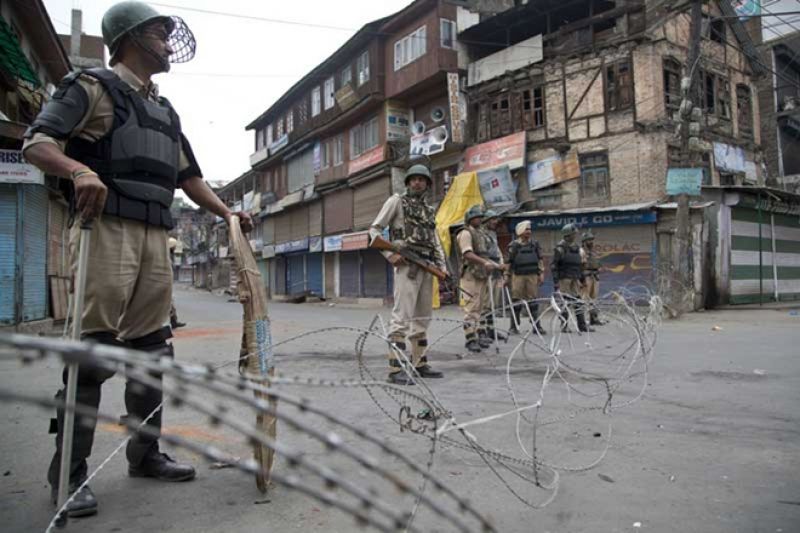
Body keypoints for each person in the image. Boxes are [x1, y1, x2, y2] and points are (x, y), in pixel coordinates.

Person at [23, 1, 253, 517]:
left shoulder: (166, 111)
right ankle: (68, 475)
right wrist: (78, 171)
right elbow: (37, 143)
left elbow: (189, 178)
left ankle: (145, 454)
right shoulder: (91, 88)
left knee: (153, 352)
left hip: (155, 237)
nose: (168, 45)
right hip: (105, 228)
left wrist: (227, 213)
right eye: (159, 34)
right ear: (128, 39)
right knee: (93, 354)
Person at [369, 164, 448, 386]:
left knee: (423, 317)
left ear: (427, 184)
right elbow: (374, 230)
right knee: (402, 317)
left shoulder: (429, 210)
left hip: (427, 266)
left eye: (422, 179)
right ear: (408, 182)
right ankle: (395, 369)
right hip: (406, 265)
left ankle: (419, 363)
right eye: (413, 179)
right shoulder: (396, 201)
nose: (417, 183)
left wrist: (442, 267)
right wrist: (389, 255)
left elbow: (434, 241)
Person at [457, 205, 503, 352]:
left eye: (480, 217)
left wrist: (497, 266)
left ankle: (477, 334)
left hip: (482, 274)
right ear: (470, 218)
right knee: (471, 307)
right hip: (470, 274)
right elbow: (467, 254)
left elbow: (486, 255)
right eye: (476, 217)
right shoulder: (465, 233)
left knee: (480, 307)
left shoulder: (481, 234)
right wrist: (484, 263)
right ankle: (470, 338)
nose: (479, 219)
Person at [550, 224, 593, 333]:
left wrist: (582, 279)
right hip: (564, 278)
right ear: (567, 235)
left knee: (578, 301)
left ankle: (582, 325)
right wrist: (556, 281)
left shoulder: (577, 248)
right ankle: (564, 325)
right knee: (565, 302)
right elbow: (554, 266)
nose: (575, 236)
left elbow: (580, 265)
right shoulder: (560, 249)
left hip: (575, 278)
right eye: (573, 234)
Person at [506, 220, 546, 335]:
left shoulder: (535, 244)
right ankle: (514, 327)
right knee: (516, 301)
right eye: (526, 229)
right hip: (518, 276)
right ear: (520, 231)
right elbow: (508, 262)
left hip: (532, 276)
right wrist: (506, 276)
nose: (529, 231)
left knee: (533, 301)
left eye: (529, 229)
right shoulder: (513, 245)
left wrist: (541, 273)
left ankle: (537, 326)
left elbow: (540, 260)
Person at [479, 210, 507, 343]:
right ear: (486, 220)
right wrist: (496, 265)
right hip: (487, 271)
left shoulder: (493, 234)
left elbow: (498, 251)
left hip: (496, 271)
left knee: (493, 304)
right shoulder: (481, 235)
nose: (495, 222)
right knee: (485, 304)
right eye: (493, 219)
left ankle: (491, 329)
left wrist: (501, 263)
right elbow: (483, 256)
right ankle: (481, 331)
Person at [581, 231, 605, 326]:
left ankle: (594, 318)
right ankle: (582, 320)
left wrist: (599, 268)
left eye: (591, 240)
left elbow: (599, 263)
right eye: (589, 240)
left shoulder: (594, 252)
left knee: (594, 299)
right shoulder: (581, 251)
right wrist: (581, 279)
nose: (591, 242)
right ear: (584, 241)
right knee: (584, 299)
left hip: (595, 276)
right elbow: (579, 266)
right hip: (586, 277)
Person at [168, 237, 186, 329]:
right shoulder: (165, 256)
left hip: (167, 283)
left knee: (171, 304)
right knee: (169, 304)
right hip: (164, 283)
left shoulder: (168, 256)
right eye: (173, 247)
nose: (174, 249)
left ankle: (173, 321)